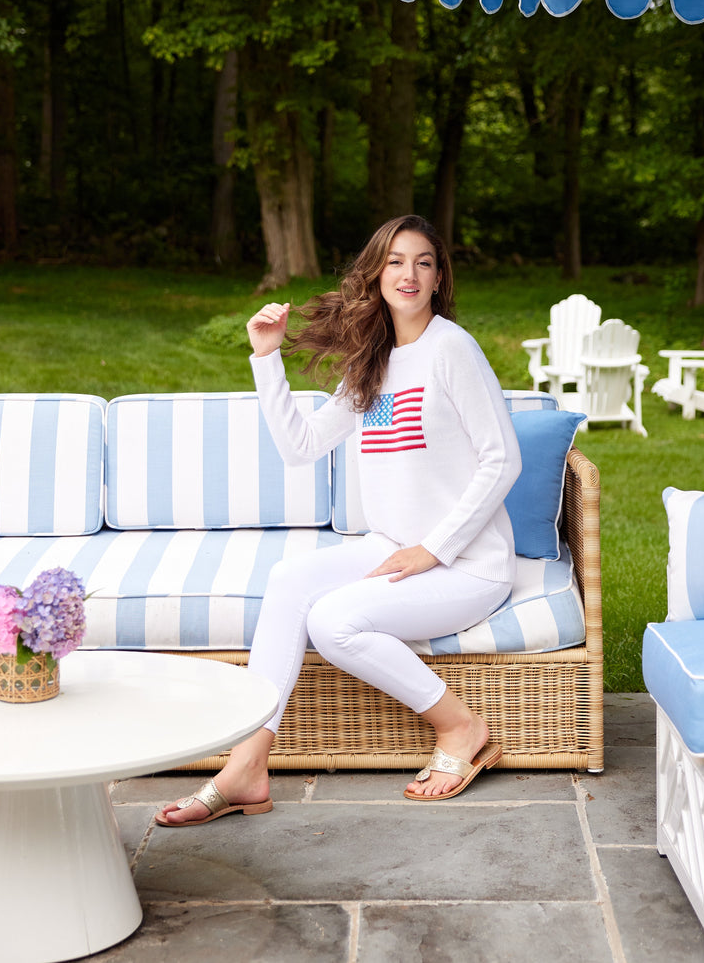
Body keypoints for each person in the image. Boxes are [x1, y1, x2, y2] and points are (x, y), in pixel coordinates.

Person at [156, 214, 521, 827]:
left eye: (424, 262)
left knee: (333, 620)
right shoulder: (372, 362)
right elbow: (301, 446)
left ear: (438, 279)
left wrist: (433, 549)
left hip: (470, 565)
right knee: (289, 582)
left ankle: (463, 728)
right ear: (377, 272)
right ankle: (248, 765)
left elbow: (502, 458)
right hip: (395, 546)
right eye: (396, 260)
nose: (409, 273)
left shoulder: (450, 348)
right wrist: (266, 359)